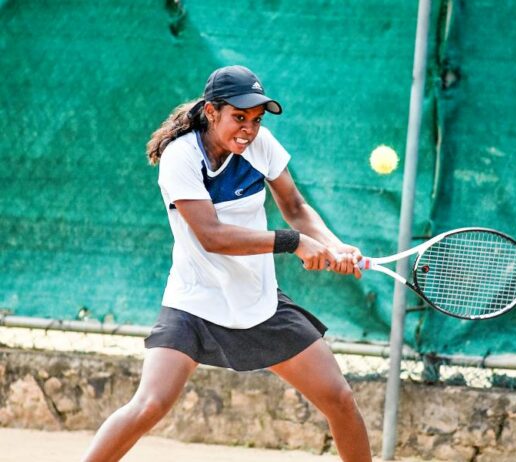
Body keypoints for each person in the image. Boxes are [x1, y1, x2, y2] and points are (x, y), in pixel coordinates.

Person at [82, 65, 372, 462]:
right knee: (149, 404)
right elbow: (212, 236)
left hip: (257, 301)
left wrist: (335, 247)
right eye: (239, 117)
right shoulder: (181, 156)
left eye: (256, 119)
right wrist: (295, 243)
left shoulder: (261, 145)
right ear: (211, 111)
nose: (249, 130)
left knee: (339, 397)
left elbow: (295, 207)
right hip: (194, 301)